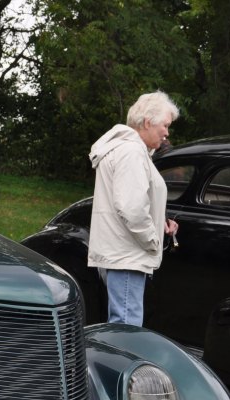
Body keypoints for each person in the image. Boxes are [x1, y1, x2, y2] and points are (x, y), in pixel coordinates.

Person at [87, 91, 180, 326]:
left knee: (122, 325)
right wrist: (152, 239)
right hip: (127, 255)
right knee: (126, 329)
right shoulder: (131, 152)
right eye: (165, 125)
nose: (167, 133)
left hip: (123, 253)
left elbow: (135, 201)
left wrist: (160, 223)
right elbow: (132, 208)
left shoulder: (131, 151)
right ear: (148, 122)